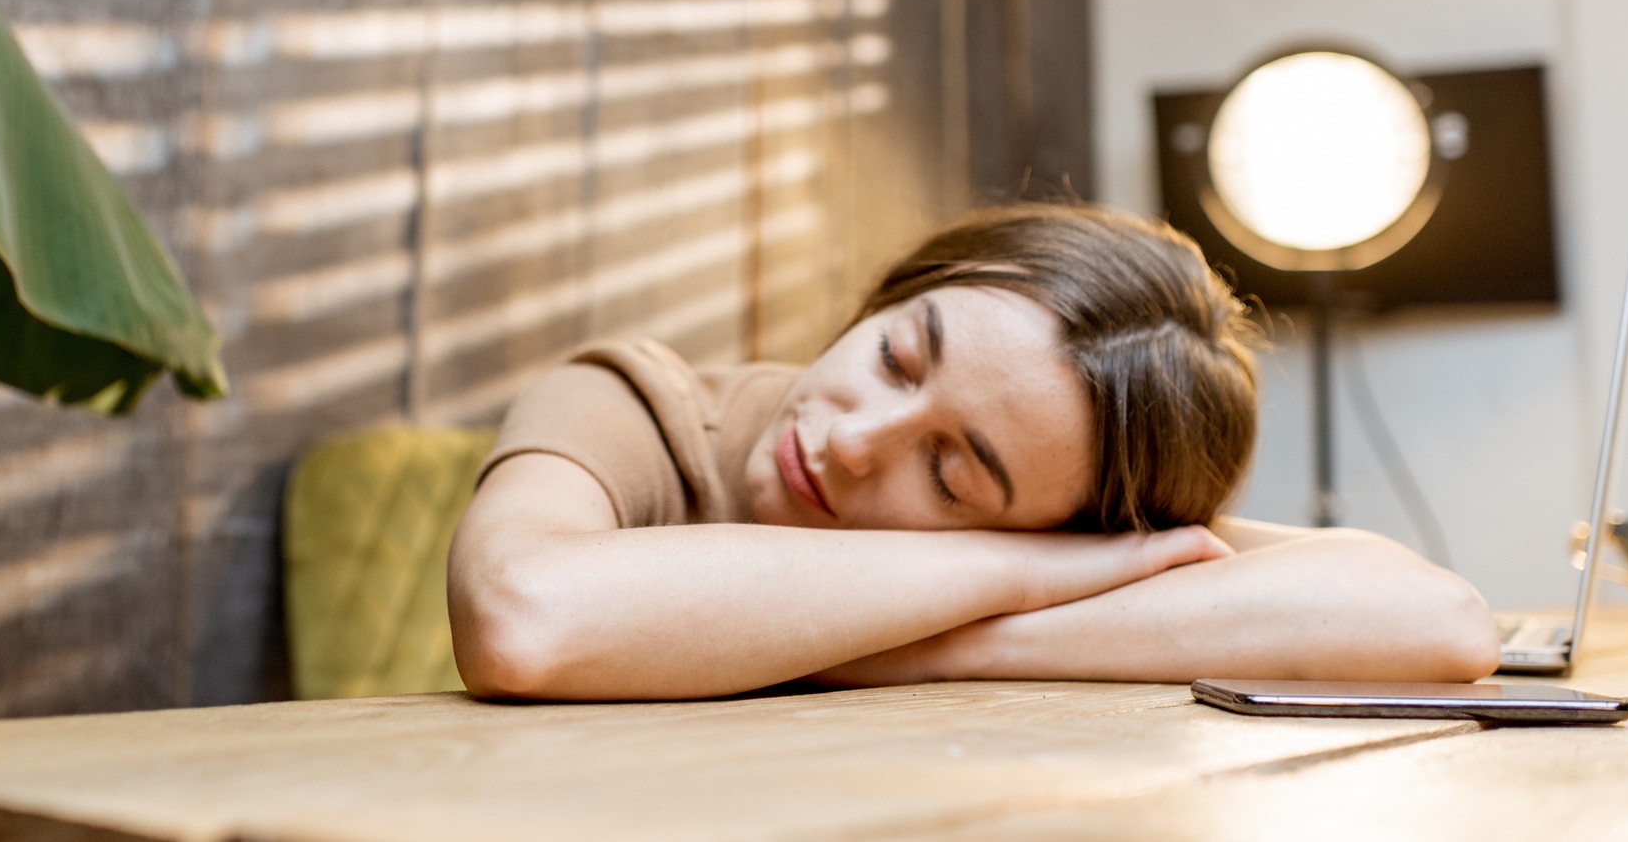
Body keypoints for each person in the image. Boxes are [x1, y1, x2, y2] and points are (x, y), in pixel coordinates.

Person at [449, 202, 1498, 701]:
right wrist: (1023, 572)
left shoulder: (1085, 509)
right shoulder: (638, 406)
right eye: (898, 355)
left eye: (951, 474)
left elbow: (1434, 617)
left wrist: (963, 639)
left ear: (1065, 514)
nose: (851, 439)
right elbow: (523, 616)